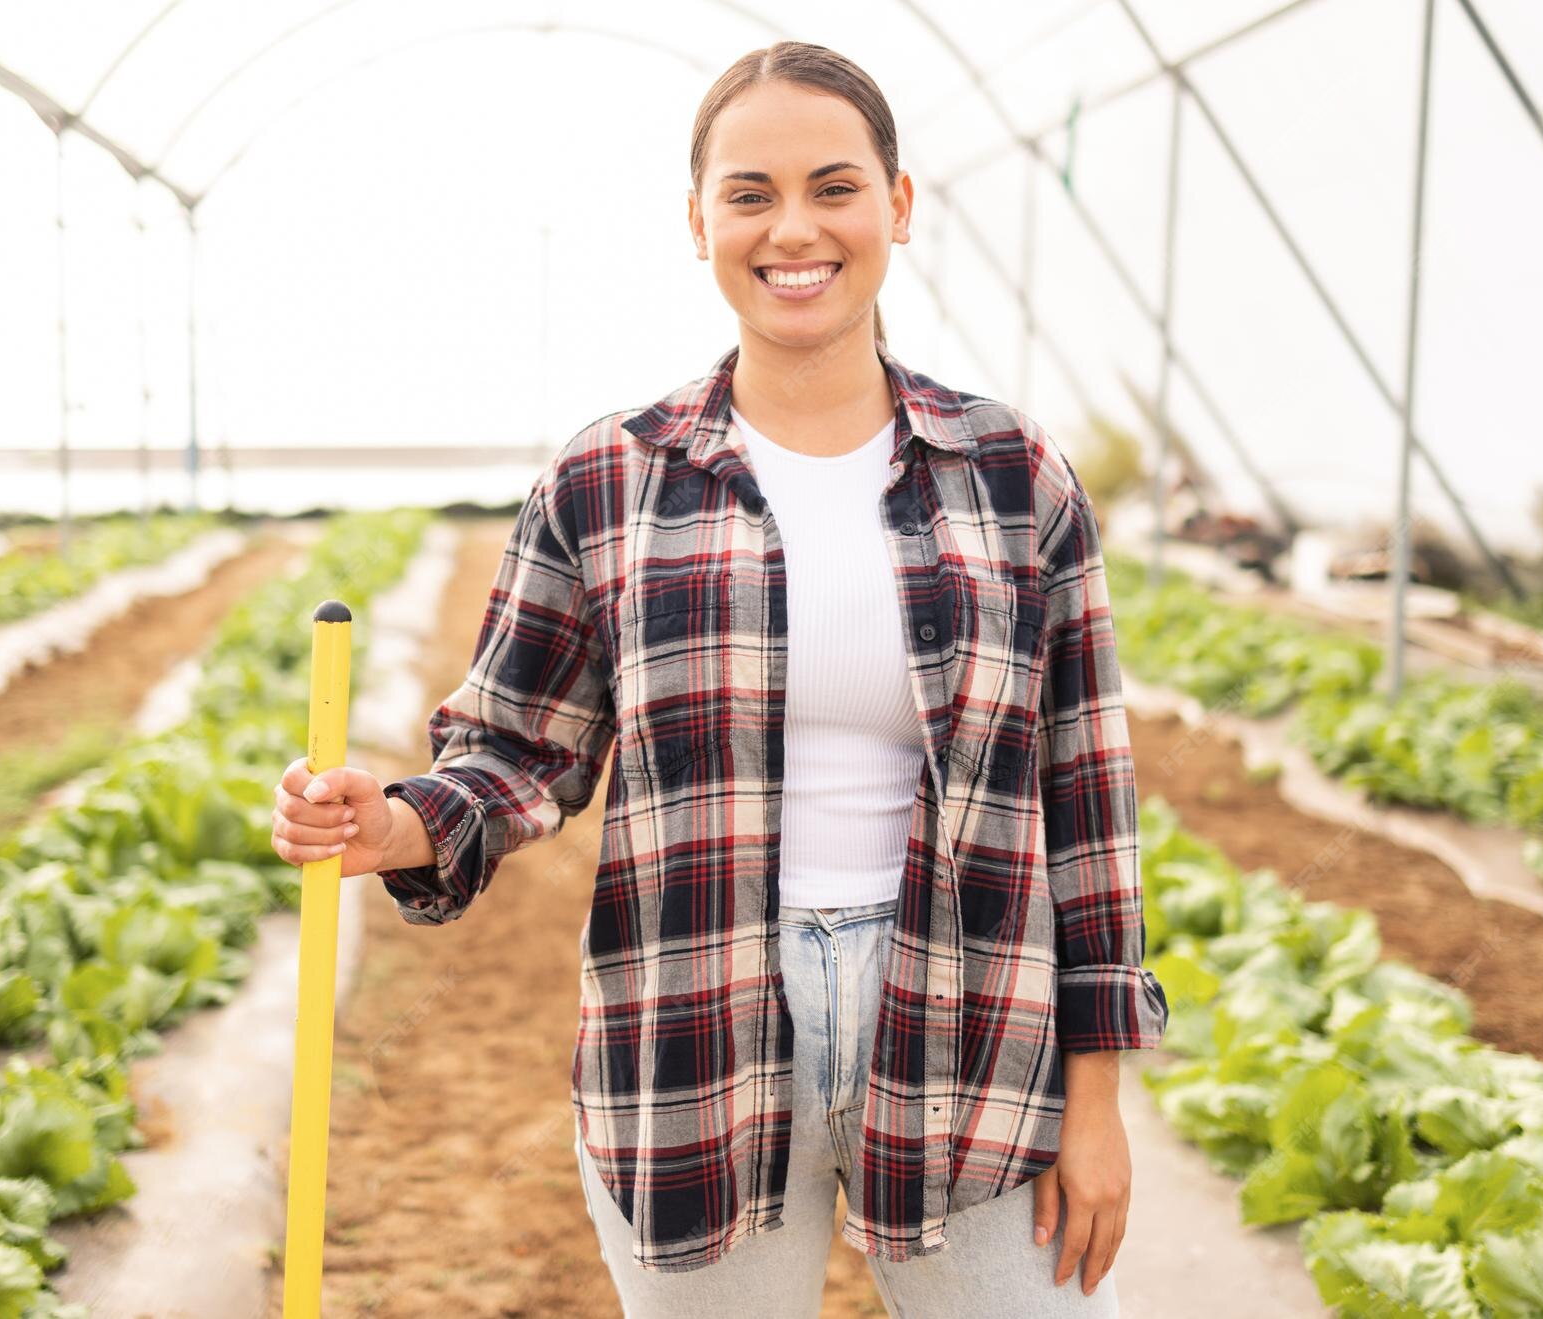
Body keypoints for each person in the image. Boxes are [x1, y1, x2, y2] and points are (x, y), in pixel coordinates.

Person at [270, 39, 1167, 1318]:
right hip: (694, 1027)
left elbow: (1087, 801)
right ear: (697, 223)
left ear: (897, 206)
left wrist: (1096, 1101)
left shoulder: (1012, 472)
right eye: (748, 194)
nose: (791, 228)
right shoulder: (609, 479)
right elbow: (517, 749)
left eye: (833, 186)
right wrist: (394, 819)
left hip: (973, 1025)